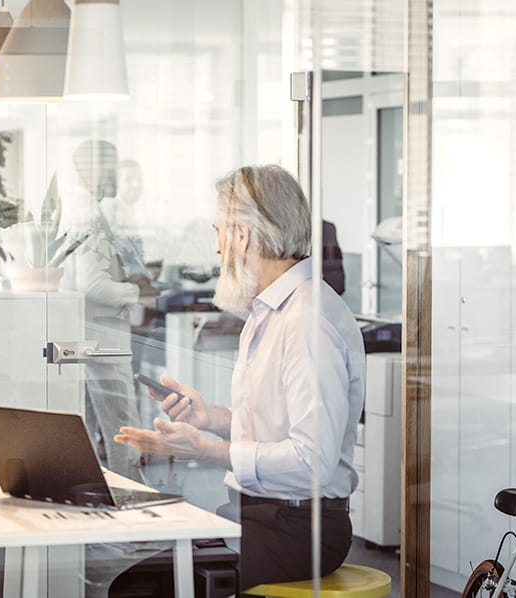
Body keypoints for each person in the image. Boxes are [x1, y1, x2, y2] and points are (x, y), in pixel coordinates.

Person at [115, 164, 365, 590]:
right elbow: (276, 427)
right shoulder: (272, 309)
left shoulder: (307, 321)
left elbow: (312, 461)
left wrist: (209, 451)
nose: (216, 248)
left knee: (148, 585)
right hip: (260, 514)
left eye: (219, 232)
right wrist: (207, 418)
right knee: (140, 571)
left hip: (300, 530)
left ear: (243, 236)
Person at [61, 140, 157, 477]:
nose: (115, 175)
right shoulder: (88, 213)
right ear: (96, 169)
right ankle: (134, 514)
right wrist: (137, 291)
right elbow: (92, 285)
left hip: (87, 337)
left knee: (88, 432)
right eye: (111, 167)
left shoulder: (78, 207)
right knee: (124, 434)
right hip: (103, 340)